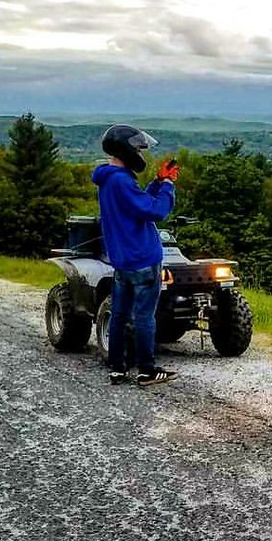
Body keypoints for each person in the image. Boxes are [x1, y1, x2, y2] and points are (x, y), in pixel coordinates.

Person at [91, 125, 180, 386]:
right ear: (127, 149)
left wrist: (156, 182)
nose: (140, 152)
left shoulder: (109, 178)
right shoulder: (121, 180)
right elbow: (155, 211)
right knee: (143, 317)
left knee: (119, 316)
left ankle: (117, 368)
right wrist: (168, 186)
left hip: (122, 260)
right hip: (142, 258)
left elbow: (136, 205)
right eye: (139, 148)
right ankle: (146, 370)